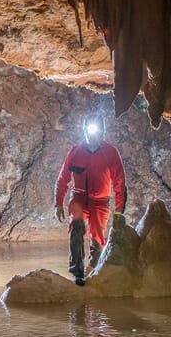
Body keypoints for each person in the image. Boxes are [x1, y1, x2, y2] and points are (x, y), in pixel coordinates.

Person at [54, 114, 127, 285]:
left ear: (102, 132)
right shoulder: (76, 152)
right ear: (84, 130)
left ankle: (95, 268)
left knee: (97, 235)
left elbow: (119, 182)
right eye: (89, 130)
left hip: (100, 201)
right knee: (77, 225)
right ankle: (77, 272)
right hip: (78, 197)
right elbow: (63, 179)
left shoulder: (110, 153)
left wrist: (119, 210)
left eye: (96, 131)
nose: (93, 136)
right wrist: (58, 203)